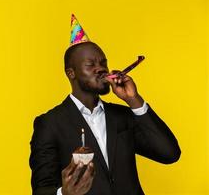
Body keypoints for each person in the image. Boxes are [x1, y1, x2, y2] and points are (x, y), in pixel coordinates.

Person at [29, 14, 181, 195]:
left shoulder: (123, 116)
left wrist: (134, 100)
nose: (101, 68)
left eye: (103, 63)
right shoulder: (50, 123)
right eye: (90, 64)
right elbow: (41, 190)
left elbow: (169, 153)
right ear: (71, 73)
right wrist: (64, 193)